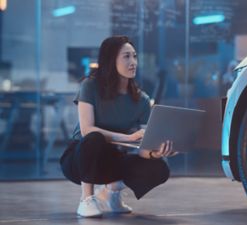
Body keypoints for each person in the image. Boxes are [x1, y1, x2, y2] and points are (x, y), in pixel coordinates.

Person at [60, 36, 176, 218]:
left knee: (160, 167)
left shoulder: (142, 100)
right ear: (110, 60)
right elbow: (86, 130)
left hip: (112, 158)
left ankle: (111, 194)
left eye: (135, 56)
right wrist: (128, 138)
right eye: (126, 57)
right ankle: (86, 198)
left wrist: (156, 152)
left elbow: (143, 147)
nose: (133, 62)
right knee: (94, 138)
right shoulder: (90, 86)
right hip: (79, 159)